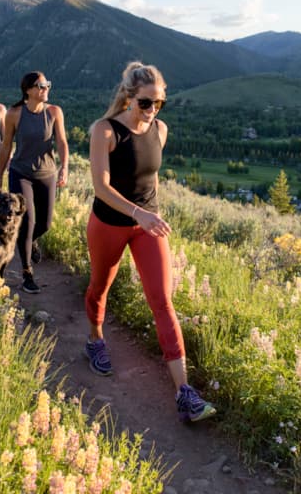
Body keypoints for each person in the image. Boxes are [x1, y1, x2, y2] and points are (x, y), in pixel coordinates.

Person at [84, 61, 216, 423]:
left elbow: (150, 178)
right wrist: (137, 213)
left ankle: (184, 392)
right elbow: (101, 188)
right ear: (129, 97)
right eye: (146, 103)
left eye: (159, 103)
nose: (152, 110)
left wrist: (150, 212)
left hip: (147, 227)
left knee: (162, 300)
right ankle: (96, 339)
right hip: (109, 223)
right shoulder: (105, 131)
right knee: (100, 286)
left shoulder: (160, 130)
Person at [0, 71, 69, 294]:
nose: (45, 88)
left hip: (47, 174)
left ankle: (30, 242)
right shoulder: (14, 114)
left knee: (44, 224)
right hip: (21, 174)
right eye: (40, 85)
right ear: (28, 90)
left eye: (47, 84)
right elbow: (6, 146)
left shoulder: (55, 112)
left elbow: (62, 142)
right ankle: (27, 273)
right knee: (28, 221)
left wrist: (64, 167)